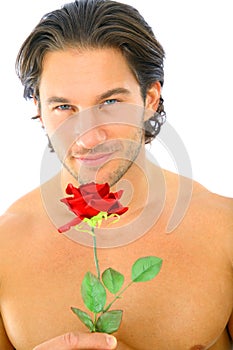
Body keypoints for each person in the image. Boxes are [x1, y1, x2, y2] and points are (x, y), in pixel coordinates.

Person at [0, 0, 232, 349]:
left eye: (110, 103)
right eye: (64, 107)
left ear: (150, 98)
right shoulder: (5, 248)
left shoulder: (224, 230)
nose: (89, 136)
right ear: (39, 110)